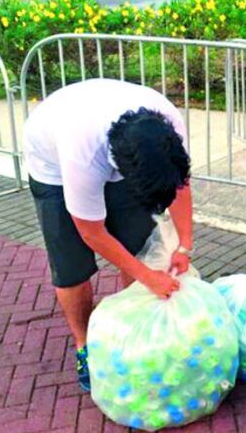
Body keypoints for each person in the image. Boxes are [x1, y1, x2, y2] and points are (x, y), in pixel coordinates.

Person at [24, 78, 194, 392]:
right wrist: (148, 276)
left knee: (137, 245)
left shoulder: (168, 127)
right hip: (54, 169)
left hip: (108, 137)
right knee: (71, 265)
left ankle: (134, 328)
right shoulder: (82, 156)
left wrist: (184, 245)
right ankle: (85, 344)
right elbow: (92, 233)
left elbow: (179, 183)